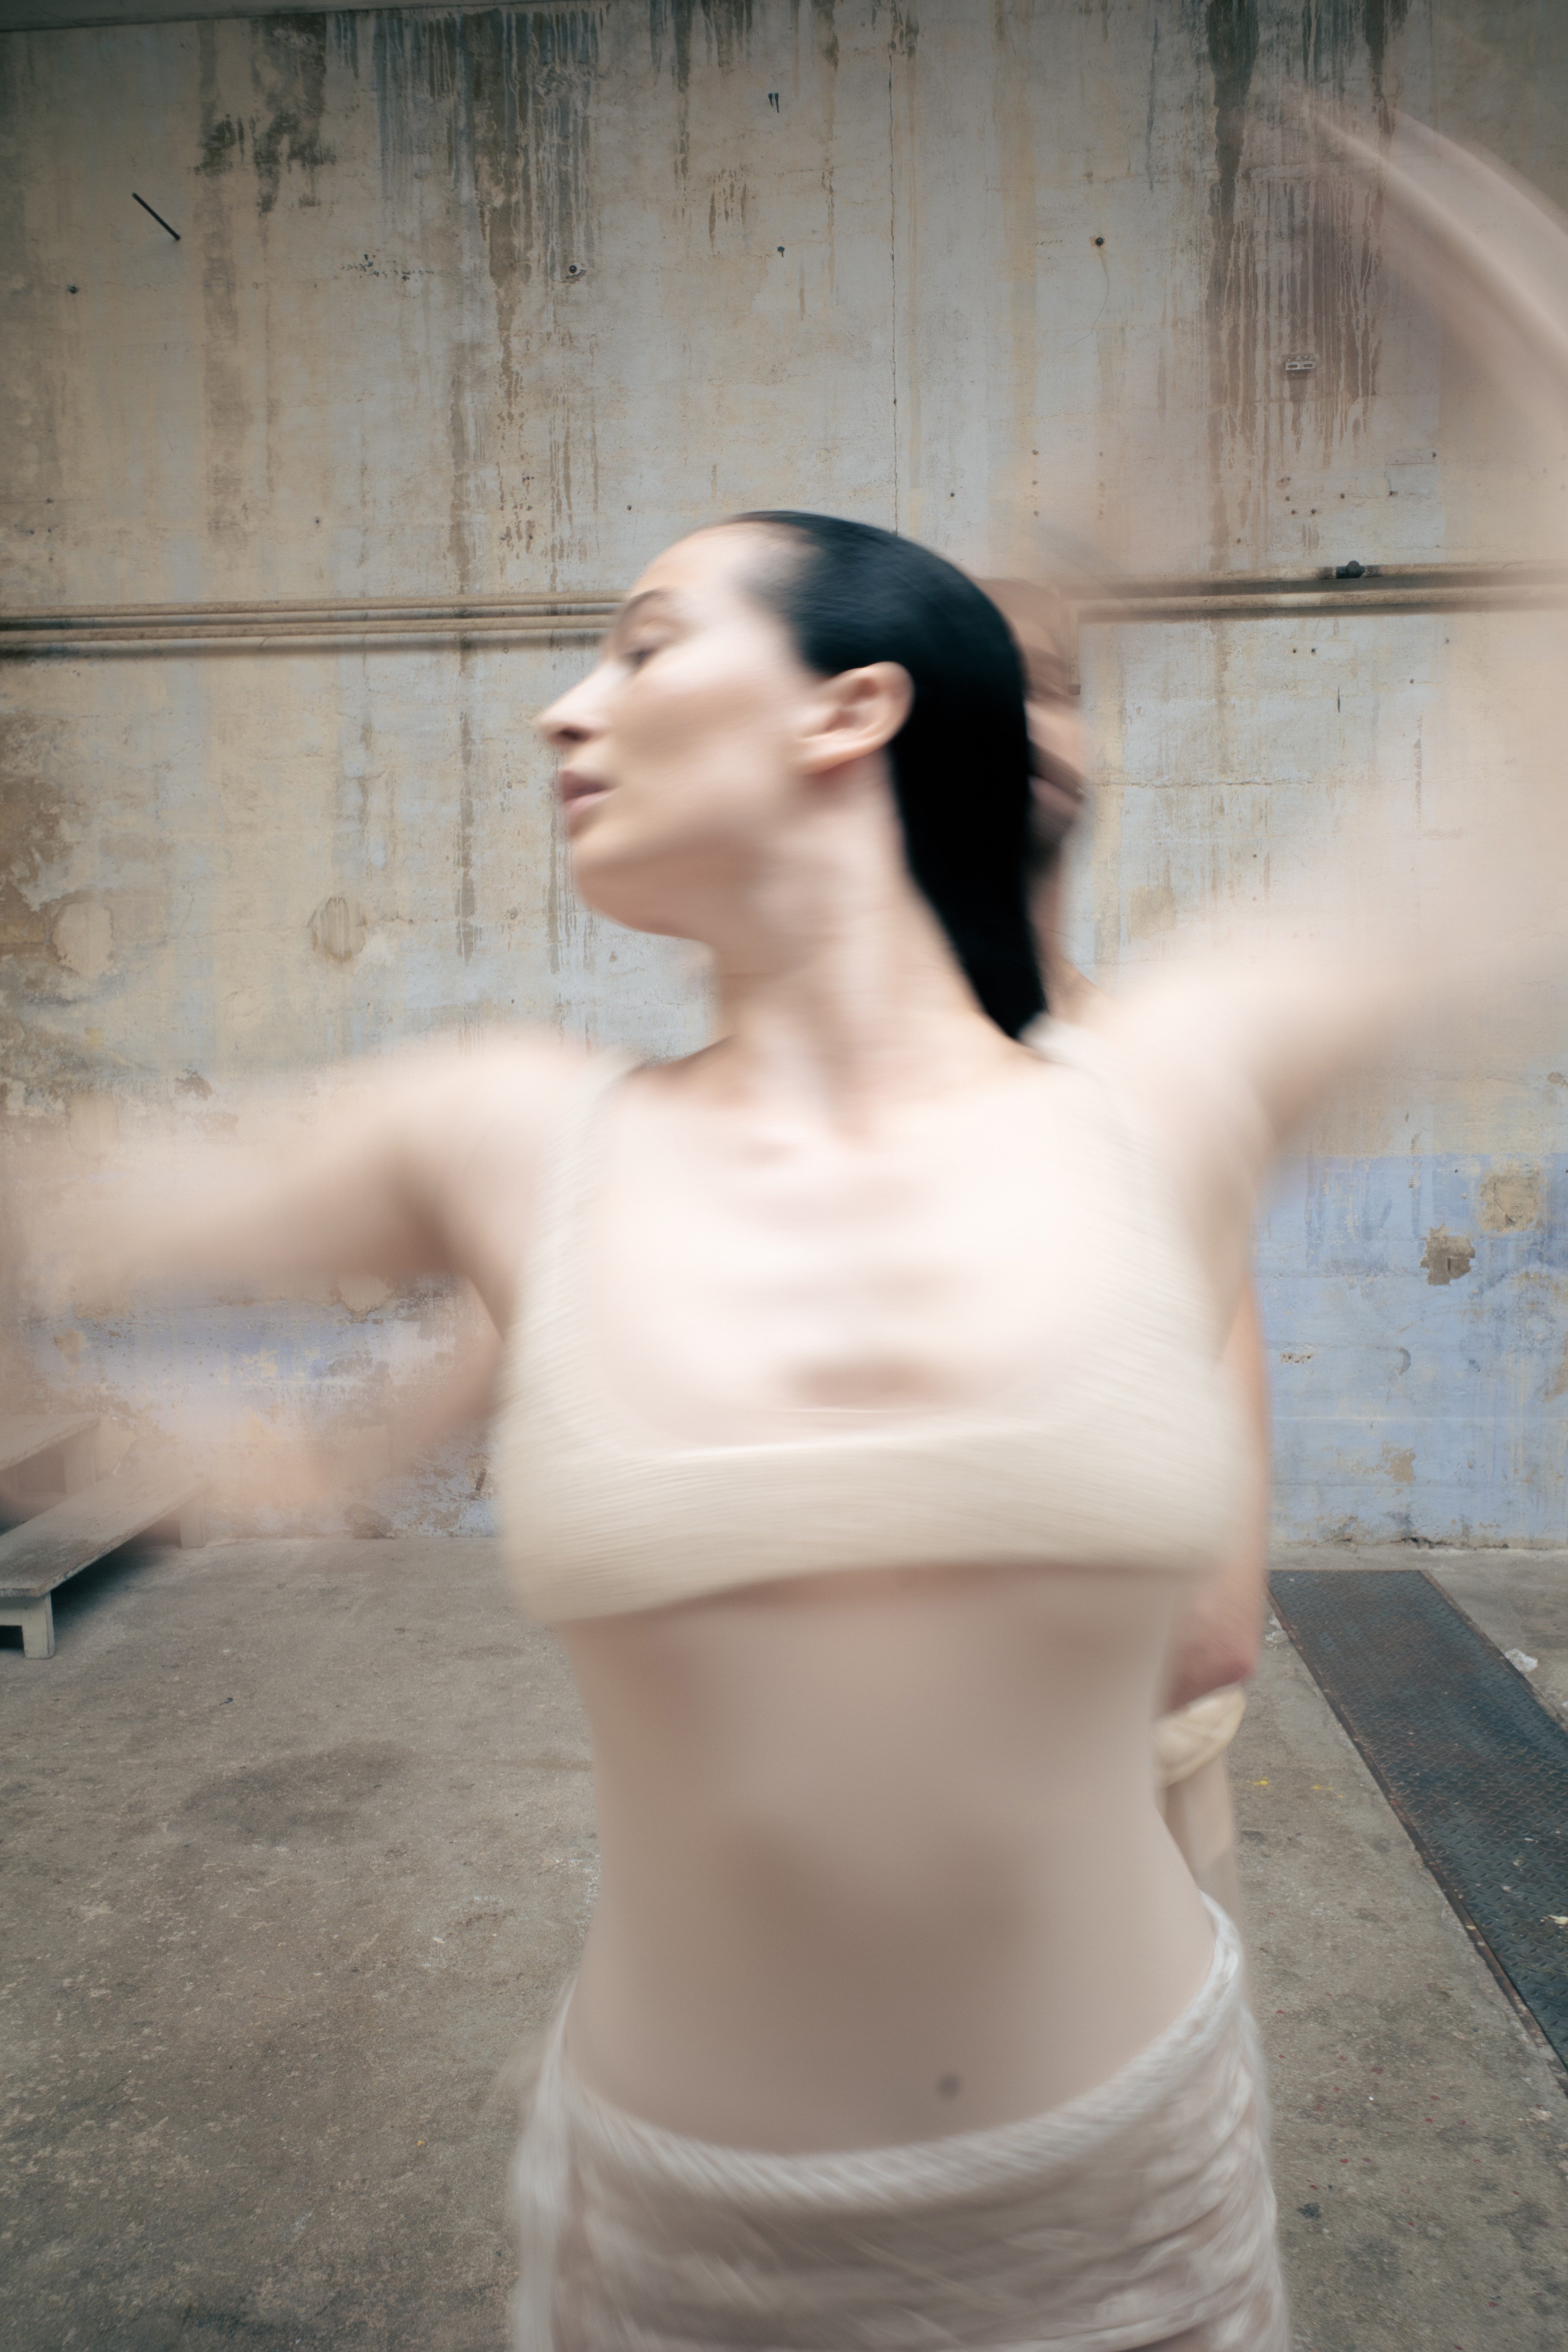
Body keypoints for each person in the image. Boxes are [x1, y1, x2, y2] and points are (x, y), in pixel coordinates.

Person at [41, 125, 1568, 2352]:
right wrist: (300, 1444)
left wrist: (1521, 352)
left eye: (644, 645)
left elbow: (1512, 828)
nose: (563, 705)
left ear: (854, 713)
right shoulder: (512, 1136)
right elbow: (88, 1206)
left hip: (1127, 2217)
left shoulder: (1151, 1093)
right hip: (678, 2246)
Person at [984, 573, 1270, 1924]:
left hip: (1137, 1798)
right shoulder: (783, 1100)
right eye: (984, 686)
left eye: (1056, 688)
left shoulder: (1155, 1080)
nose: (1032, 723)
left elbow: (1212, 1621)